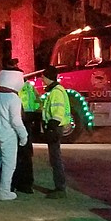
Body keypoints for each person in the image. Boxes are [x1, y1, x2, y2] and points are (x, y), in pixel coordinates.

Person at [0, 69, 28, 201]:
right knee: (8, 163)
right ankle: (4, 191)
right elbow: (15, 120)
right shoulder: (14, 98)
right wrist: (23, 135)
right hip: (7, 133)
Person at [40, 66, 72, 199]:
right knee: (55, 158)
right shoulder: (57, 91)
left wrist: (51, 126)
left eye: (43, 77)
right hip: (55, 127)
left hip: (55, 128)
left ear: (48, 77)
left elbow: (57, 112)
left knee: (55, 159)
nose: (42, 79)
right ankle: (59, 187)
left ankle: (60, 188)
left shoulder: (56, 92)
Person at [12, 69, 41, 194]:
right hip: (26, 120)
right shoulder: (29, 87)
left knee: (20, 154)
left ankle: (21, 183)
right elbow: (38, 102)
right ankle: (25, 184)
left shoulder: (16, 87)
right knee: (24, 154)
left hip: (23, 121)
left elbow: (38, 103)